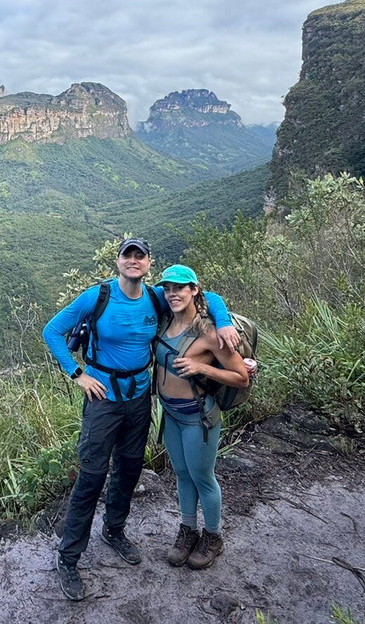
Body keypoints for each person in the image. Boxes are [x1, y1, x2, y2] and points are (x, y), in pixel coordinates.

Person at [42, 238, 240, 601]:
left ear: (149, 263)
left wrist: (224, 321)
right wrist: (77, 374)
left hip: (138, 400)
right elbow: (51, 331)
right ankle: (68, 558)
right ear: (117, 261)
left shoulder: (156, 297)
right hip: (102, 400)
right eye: (127, 255)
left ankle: (113, 530)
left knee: (129, 469)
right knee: (91, 476)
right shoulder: (97, 296)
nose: (133, 260)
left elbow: (205, 297)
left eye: (140, 256)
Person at [153, 264, 250, 570]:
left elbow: (241, 376)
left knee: (202, 478)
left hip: (198, 418)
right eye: (168, 288)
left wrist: (202, 368)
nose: (172, 294)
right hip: (171, 415)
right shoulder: (165, 320)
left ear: (194, 290)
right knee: (182, 475)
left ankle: (213, 536)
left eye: (180, 288)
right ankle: (187, 530)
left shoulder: (209, 332)